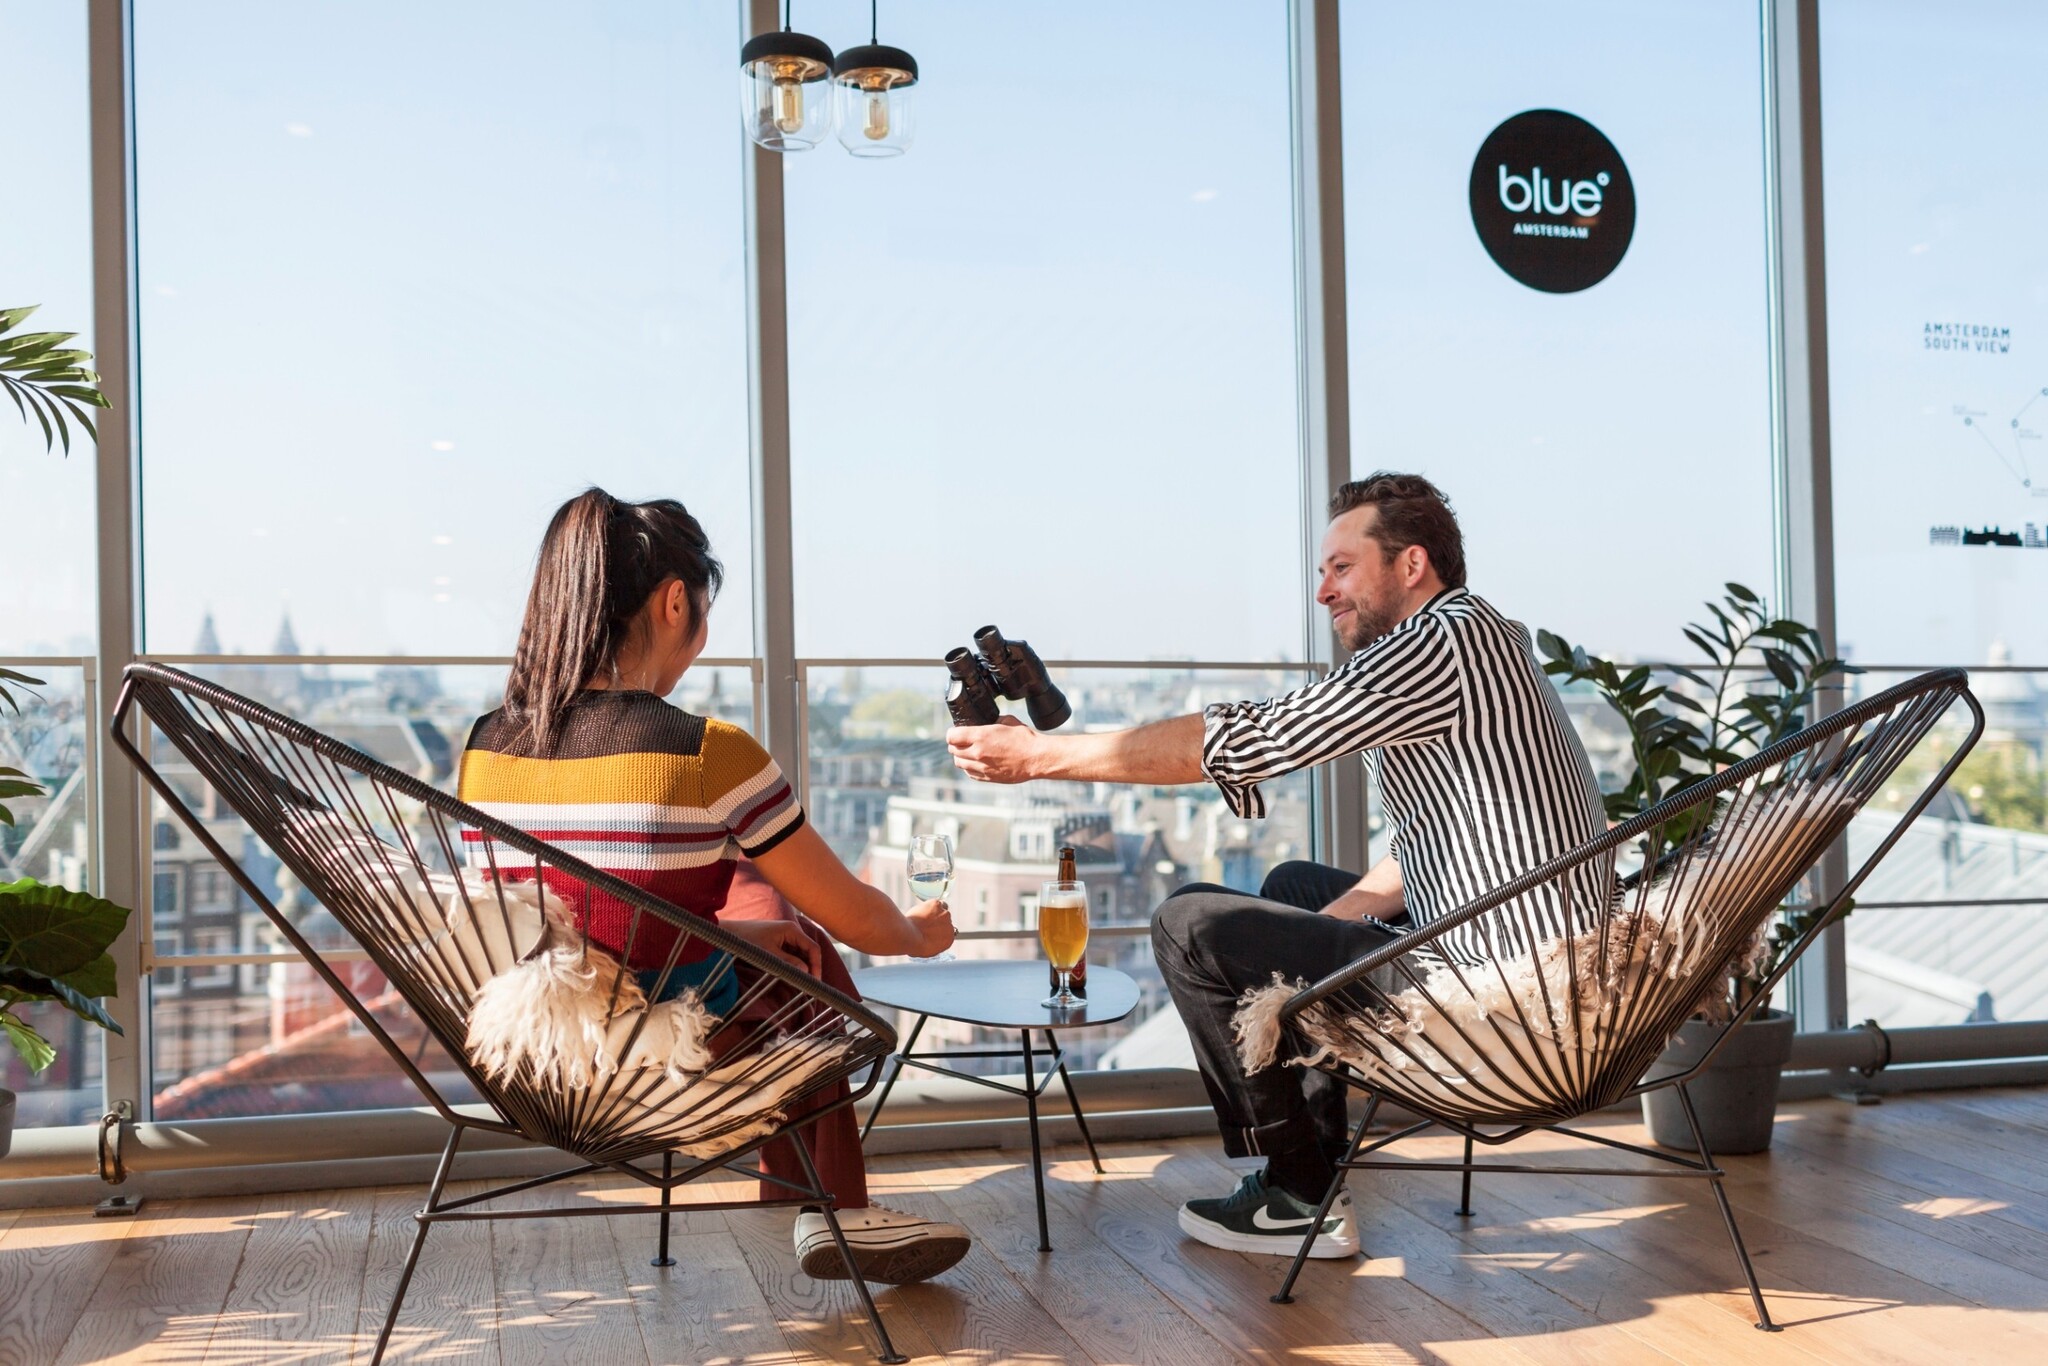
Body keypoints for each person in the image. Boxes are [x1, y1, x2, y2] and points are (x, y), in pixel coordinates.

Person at [946, 472, 1604, 1259]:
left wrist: (1040, 756)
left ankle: (1298, 1190)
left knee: (1189, 923)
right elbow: (1436, 841)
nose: (1323, 591)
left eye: (1341, 567)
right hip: (1495, 934)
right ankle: (1317, 1165)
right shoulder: (1471, 640)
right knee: (1292, 889)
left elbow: (1259, 737)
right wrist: (1302, 949)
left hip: (1501, 986)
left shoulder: (1443, 640)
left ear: (1412, 565)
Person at [459, 486, 970, 1285]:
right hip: (666, 1055)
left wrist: (730, 935)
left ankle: (823, 1211)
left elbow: (578, 918)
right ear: (673, 603)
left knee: (765, 916)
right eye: (701, 611)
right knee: (811, 953)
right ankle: (827, 1211)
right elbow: (858, 915)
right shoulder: (706, 751)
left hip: (531, 1057)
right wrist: (917, 933)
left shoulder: (485, 744)